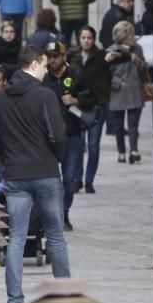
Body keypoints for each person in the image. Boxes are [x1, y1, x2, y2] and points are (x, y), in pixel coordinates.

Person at [0, 45, 71, 303]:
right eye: (44, 65)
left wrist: (6, 152)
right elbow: (58, 135)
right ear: (34, 65)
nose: (46, 70)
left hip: (16, 175)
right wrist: (54, 155)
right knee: (55, 236)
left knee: (16, 238)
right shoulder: (45, 96)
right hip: (46, 172)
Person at [41, 38, 93, 230]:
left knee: (69, 178)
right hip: (47, 138)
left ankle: (64, 213)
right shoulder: (43, 78)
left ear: (63, 56)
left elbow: (92, 96)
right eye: (49, 57)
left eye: (55, 56)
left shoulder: (75, 73)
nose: (52, 60)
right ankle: (52, 214)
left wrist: (76, 99)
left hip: (71, 134)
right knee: (49, 180)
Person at [66, 26, 114, 193]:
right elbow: (67, 79)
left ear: (94, 40)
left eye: (89, 38)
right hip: (76, 106)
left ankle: (89, 180)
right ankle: (77, 179)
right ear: (79, 39)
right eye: (83, 37)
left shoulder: (101, 57)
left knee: (93, 145)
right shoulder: (72, 56)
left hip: (95, 105)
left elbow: (120, 57)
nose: (86, 40)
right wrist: (67, 93)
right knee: (78, 144)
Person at [108, 21, 147, 164]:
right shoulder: (112, 51)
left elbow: (145, 68)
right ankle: (121, 152)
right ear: (122, 37)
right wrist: (118, 83)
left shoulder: (138, 49)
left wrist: (138, 62)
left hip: (134, 91)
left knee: (133, 124)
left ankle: (134, 150)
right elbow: (106, 73)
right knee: (118, 126)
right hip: (117, 92)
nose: (133, 37)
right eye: (130, 34)